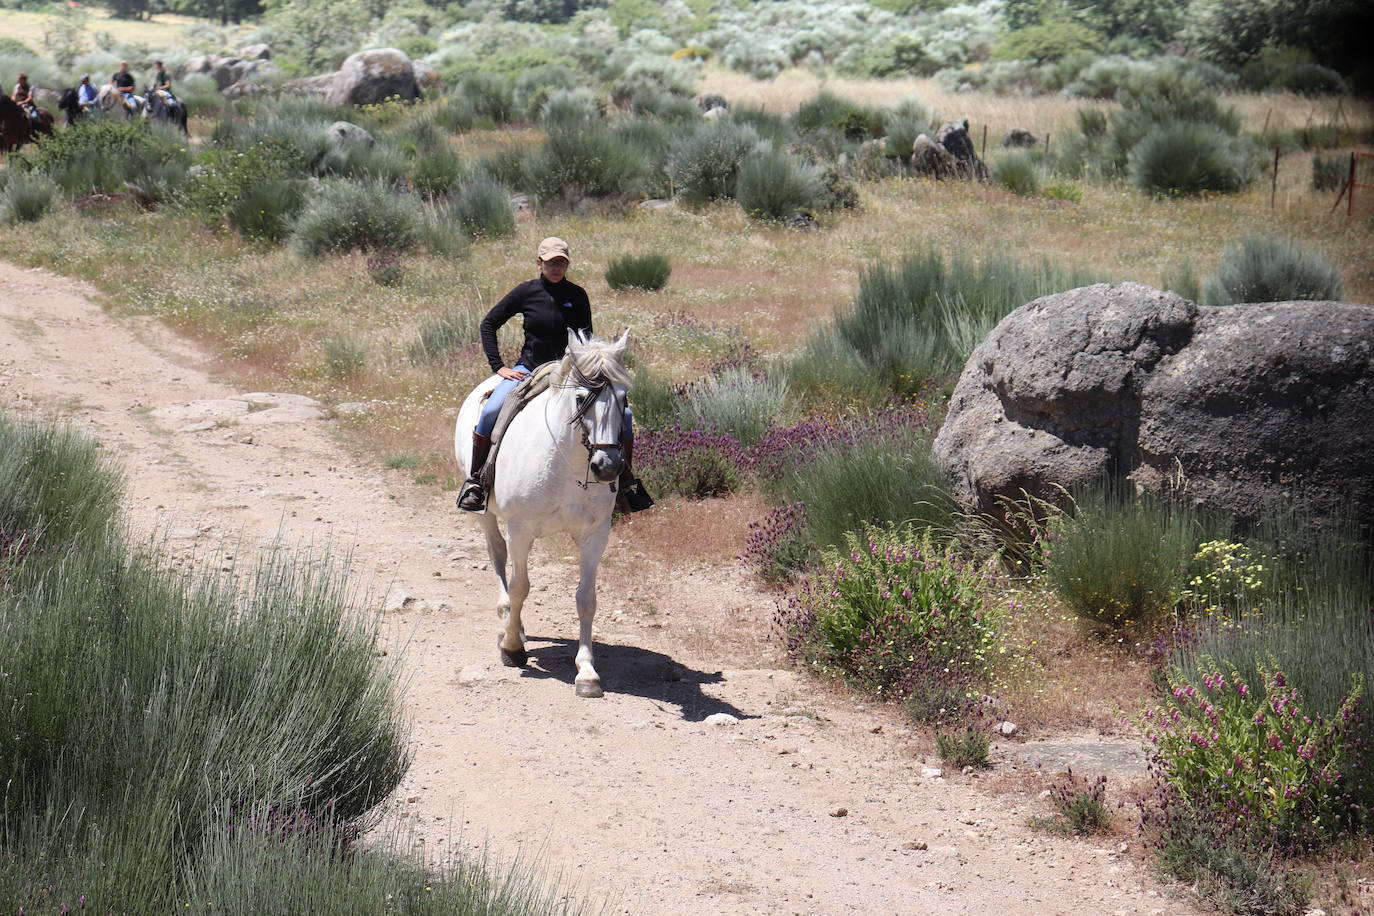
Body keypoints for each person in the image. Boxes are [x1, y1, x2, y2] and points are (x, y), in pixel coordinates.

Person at [457, 237, 653, 514]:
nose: (556, 267)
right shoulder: (526, 292)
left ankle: (626, 484)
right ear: (539, 263)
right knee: (490, 411)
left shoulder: (577, 295)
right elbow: (489, 323)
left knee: (625, 416)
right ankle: (476, 482)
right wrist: (498, 367)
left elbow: (585, 339)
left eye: (561, 262)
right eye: (550, 262)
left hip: (572, 373)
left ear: (567, 264)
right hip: (530, 368)